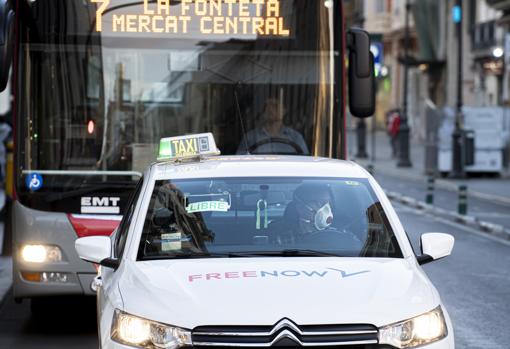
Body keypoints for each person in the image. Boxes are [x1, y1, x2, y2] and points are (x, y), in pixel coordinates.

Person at [237, 98, 309, 155]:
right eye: (266, 106)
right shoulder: (250, 138)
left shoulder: (295, 137)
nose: (270, 109)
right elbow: (239, 163)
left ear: (284, 110)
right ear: (263, 111)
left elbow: (306, 163)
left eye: (275, 105)